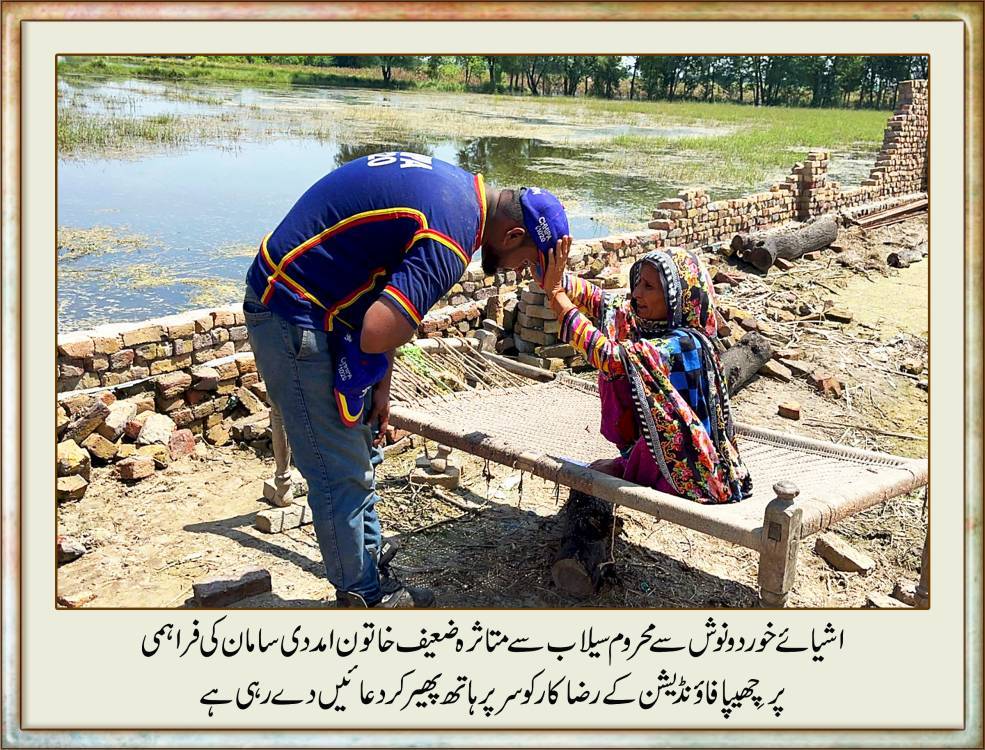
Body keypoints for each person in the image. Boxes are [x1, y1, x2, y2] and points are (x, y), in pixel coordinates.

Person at [243, 150, 570, 607]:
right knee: (338, 469)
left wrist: (382, 382)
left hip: (318, 302)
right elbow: (379, 329)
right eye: (526, 261)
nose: (519, 272)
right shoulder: (450, 237)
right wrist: (382, 356)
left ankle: (370, 573)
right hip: (292, 311)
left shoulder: (458, 193)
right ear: (512, 235)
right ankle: (363, 598)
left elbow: (382, 295)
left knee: (360, 454)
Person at [537, 239, 752, 504]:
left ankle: (638, 470)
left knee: (620, 366)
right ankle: (633, 462)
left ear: (676, 297)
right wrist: (550, 274)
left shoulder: (685, 344)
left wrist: (557, 295)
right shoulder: (651, 324)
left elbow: (610, 357)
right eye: (638, 282)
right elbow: (602, 302)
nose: (636, 293)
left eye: (648, 286)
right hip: (662, 455)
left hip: (696, 470)